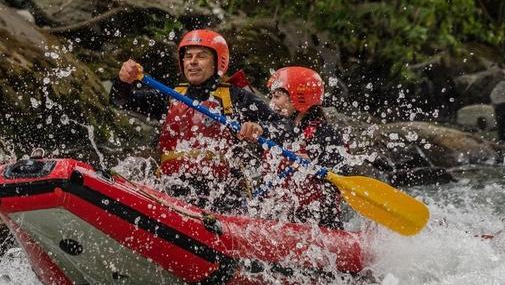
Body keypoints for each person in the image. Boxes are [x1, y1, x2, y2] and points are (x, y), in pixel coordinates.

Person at [111, 29, 279, 213]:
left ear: (217, 62)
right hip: (172, 189)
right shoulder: (171, 96)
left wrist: (260, 128)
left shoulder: (236, 97)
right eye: (188, 56)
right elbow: (121, 101)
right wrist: (122, 81)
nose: (192, 62)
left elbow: (283, 125)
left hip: (222, 196)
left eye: (201, 56)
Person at [257, 66, 349, 229]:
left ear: (297, 98)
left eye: (277, 96)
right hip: (278, 214)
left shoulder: (326, 133)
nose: (272, 103)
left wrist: (313, 165)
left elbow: (340, 171)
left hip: (320, 221)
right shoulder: (279, 129)